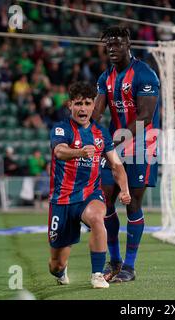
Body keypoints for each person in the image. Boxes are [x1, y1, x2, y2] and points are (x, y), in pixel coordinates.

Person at [93, 26, 160, 282]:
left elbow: (144, 117)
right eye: (109, 44)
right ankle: (115, 261)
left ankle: (130, 267)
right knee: (106, 200)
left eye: (118, 43)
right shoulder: (105, 78)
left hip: (142, 144)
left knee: (131, 202)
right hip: (114, 145)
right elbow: (98, 113)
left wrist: (113, 141)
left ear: (128, 44)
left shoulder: (145, 74)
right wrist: (86, 133)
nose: (113, 48)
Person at [48, 81, 131, 289]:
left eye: (86, 103)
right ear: (70, 105)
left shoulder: (101, 134)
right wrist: (80, 152)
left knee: (96, 217)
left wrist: (125, 189)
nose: (82, 108)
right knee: (55, 264)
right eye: (78, 104)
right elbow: (59, 151)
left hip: (90, 195)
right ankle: (62, 270)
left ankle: (97, 274)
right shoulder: (61, 129)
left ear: (94, 105)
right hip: (62, 199)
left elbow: (116, 164)